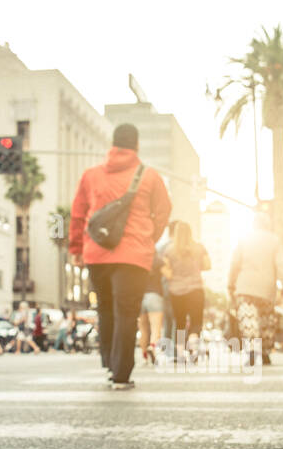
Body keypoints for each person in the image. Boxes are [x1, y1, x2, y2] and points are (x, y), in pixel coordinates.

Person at [69, 122, 172, 389]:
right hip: (133, 255)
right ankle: (121, 374)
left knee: (105, 309)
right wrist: (149, 236)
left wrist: (76, 249)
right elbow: (164, 210)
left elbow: (78, 213)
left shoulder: (91, 175)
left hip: (97, 253)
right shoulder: (149, 176)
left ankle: (110, 363)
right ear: (136, 145)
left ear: (113, 145)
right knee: (127, 312)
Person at [229, 210, 283, 367]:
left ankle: (253, 350)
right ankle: (266, 352)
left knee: (249, 319)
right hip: (267, 288)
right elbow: (280, 265)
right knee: (266, 320)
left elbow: (235, 264)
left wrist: (231, 283)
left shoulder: (244, 239)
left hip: (245, 286)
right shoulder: (275, 240)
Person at [163, 220, 211, 360]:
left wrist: (176, 273)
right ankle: (193, 344)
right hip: (195, 289)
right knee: (196, 322)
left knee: (179, 321)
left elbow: (167, 272)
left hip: (176, 290)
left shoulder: (169, 250)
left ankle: (180, 353)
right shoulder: (199, 247)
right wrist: (195, 267)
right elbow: (208, 265)